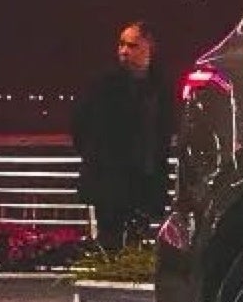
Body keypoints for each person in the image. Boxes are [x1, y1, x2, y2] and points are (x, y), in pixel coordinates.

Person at [72, 21, 173, 248]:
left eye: (132, 45)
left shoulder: (160, 86)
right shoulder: (102, 84)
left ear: (149, 48)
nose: (123, 51)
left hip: (145, 180)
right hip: (110, 180)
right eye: (121, 44)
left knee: (138, 242)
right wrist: (95, 157)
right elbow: (80, 123)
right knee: (110, 241)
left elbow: (163, 132)